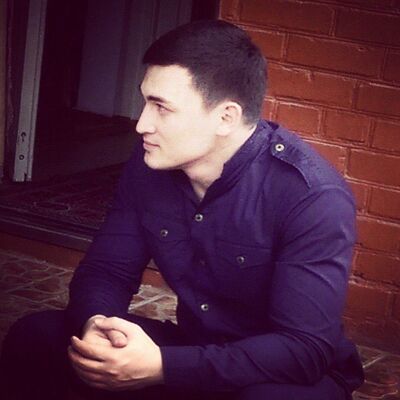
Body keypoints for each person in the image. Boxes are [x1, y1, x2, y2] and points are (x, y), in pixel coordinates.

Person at [0, 20, 364, 400]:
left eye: (162, 107)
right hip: (194, 349)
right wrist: (98, 325)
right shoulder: (150, 164)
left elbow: (304, 349)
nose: (142, 124)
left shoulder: (312, 197)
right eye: (145, 101)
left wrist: (162, 367)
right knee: (36, 338)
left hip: (281, 375)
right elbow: (107, 269)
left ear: (225, 117)